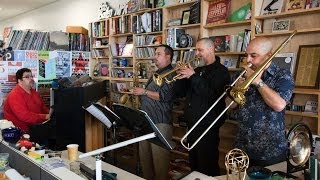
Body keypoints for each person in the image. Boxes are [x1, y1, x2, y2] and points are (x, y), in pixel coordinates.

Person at [230, 37, 294, 166]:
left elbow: (279, 105)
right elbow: (228, 106)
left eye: (253, 56)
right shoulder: (241, 74)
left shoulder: (282, 75)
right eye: (246, 55)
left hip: (270, 150)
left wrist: (258, 82)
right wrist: (236, 88)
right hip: (242, 147)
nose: (248, 60)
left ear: (268, 56)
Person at [175, 38, 231, 176]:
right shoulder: (198, 70)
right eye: (196, 50)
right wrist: (179, 75)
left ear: (211, 49)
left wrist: (192, 76)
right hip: (192, 125)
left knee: (207, 165)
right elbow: (181, 93)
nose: (197, 53)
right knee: (194, 165)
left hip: (207, 126)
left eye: (200, 50)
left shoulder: (221, 71)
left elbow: (213, 95)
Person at [133, 44, 175, 180]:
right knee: (146, 163)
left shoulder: (172, 73)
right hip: (147, 121)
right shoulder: (156, 73)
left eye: (158, 54)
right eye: (155, 53)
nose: (154, 57)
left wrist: (144, 91)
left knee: (160, 165)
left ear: (168, 56)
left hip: (160, 123)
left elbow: (165, 96)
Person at [4, 68, 52, 133]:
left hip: (36, 126)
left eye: (31, 76)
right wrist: (45, 116)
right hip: (21, 132)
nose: (31, 78)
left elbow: (42, 107)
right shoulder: (15, 94)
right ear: (19, 80)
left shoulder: (33, 92)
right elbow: (24, 116)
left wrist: (51, 113)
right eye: (27, 77)